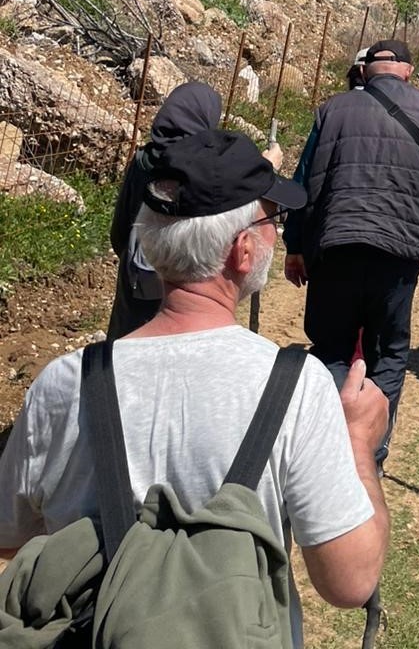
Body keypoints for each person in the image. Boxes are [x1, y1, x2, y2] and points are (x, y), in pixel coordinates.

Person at [0, 128, 391, 642]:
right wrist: (359, 446)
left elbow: (11, 540)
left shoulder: (64, 384)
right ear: (242, 251)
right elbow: (350, 581)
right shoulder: (297, 388)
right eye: (272, 220)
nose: (279, 233)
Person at [284, 40, 419, 469]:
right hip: (398, 254)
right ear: (407, 70)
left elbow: (303, 183)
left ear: (366, 71)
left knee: (330, 348)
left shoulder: (331, 110)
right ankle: (371, 453)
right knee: (388, 353)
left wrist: (295, 246)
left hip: (335, 247)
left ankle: (323, 450)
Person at [106, 82, 282, 339]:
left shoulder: (143, 159)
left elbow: (119, 232)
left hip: (136, 280)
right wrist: (265, 168)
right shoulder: (203, 170)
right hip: (187, 284)